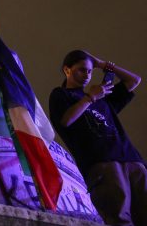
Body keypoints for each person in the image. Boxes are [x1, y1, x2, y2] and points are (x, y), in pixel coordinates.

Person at [49, 50, 145, 225]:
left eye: (89, 71)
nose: (86, 74)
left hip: (131, 159)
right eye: (81, 70)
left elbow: (134, 80)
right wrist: (90, 97)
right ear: (67, 70)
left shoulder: (103, 97)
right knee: (119, 217)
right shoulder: (61, 95)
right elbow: (66, 120)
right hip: (101, 163)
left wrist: (102, 64)